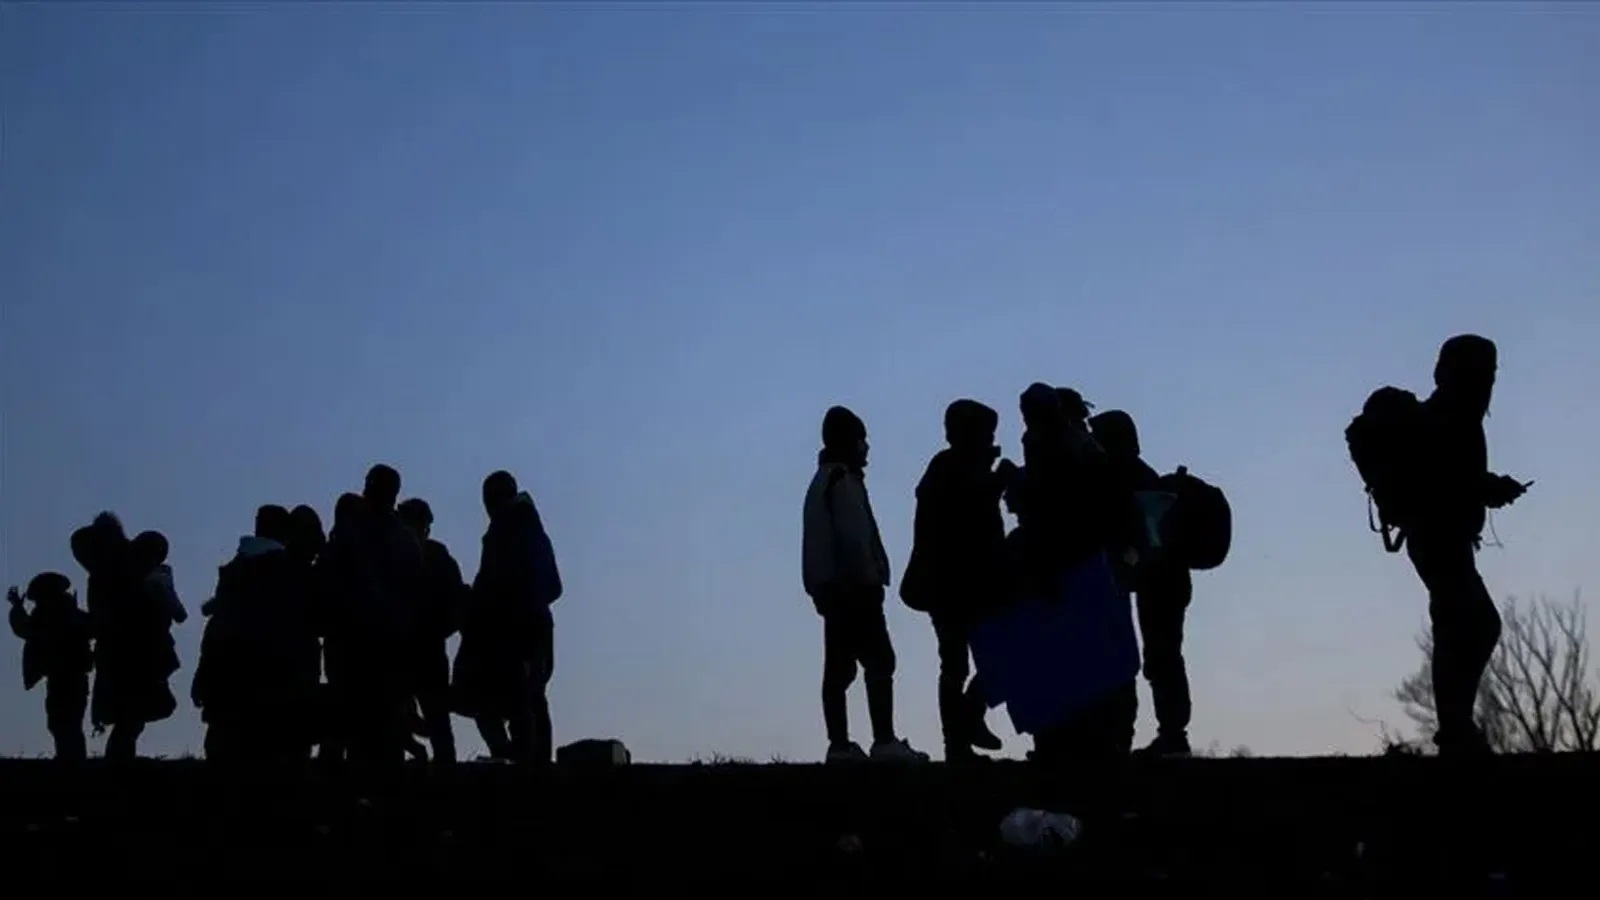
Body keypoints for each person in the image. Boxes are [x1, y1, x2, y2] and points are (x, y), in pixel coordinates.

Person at [1410, 335, 1529, 756]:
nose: (1489, 382)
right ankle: (1455, 729)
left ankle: (1455, 730)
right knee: (1474, 624)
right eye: (1485, 372)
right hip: (1437, 536)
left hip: (1441, 537)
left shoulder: (1453, 414)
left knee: (1459, 625)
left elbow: (1453, 477)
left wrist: (1487, 488)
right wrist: (1490, 487)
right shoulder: (1450, 417)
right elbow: (1447, 478)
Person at [803, 405, 927, 764]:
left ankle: (840, 745)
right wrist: (870, 577)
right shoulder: (841, 482)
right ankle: (883, 741)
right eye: (862, 440)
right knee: (879, 661)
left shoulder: (823, 482)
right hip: (854, 589)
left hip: (833, 591)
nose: (867, 448)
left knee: (838, 669)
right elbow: (855, 538)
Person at [901, 399, 1008, 761]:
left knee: (982, 662)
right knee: (964, 663)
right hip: (956, 587)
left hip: (962, 586)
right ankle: (960, 735)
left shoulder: (952, 469)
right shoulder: (950, 470)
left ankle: (963, 729)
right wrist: (997, 482)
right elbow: (968, 515)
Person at [1091, 409, 1194, 757]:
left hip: (1159, 579)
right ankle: (1172, 733)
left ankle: (1173, 734)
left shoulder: (1126, 475)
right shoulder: (1139, 474)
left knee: (1161, 656)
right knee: (1162, 655)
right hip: (1163, 578)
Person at [460, 470, 564, 763]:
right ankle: (530, 761)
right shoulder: (530, 532)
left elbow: (497, 585)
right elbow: (554, 586)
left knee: (520, 698)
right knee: (530, 699)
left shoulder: (509, 534)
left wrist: (506, 606)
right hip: (532, 628)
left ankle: (525, 762)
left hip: (520, 631)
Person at [397, 497, 466, 764]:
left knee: (434, 722)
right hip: (416, 650)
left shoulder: (435, 557)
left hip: (417, 650)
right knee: (433, 723)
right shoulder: (437, 557)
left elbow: (456, 607)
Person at [8, 573, 92, 760]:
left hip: (65, 677)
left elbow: (26, 630)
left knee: (63, 722)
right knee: (65, 722)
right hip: (67, 677)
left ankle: (70, 761)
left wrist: (18, 609)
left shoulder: (58, 616)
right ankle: (71, 760)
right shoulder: (69, 614)